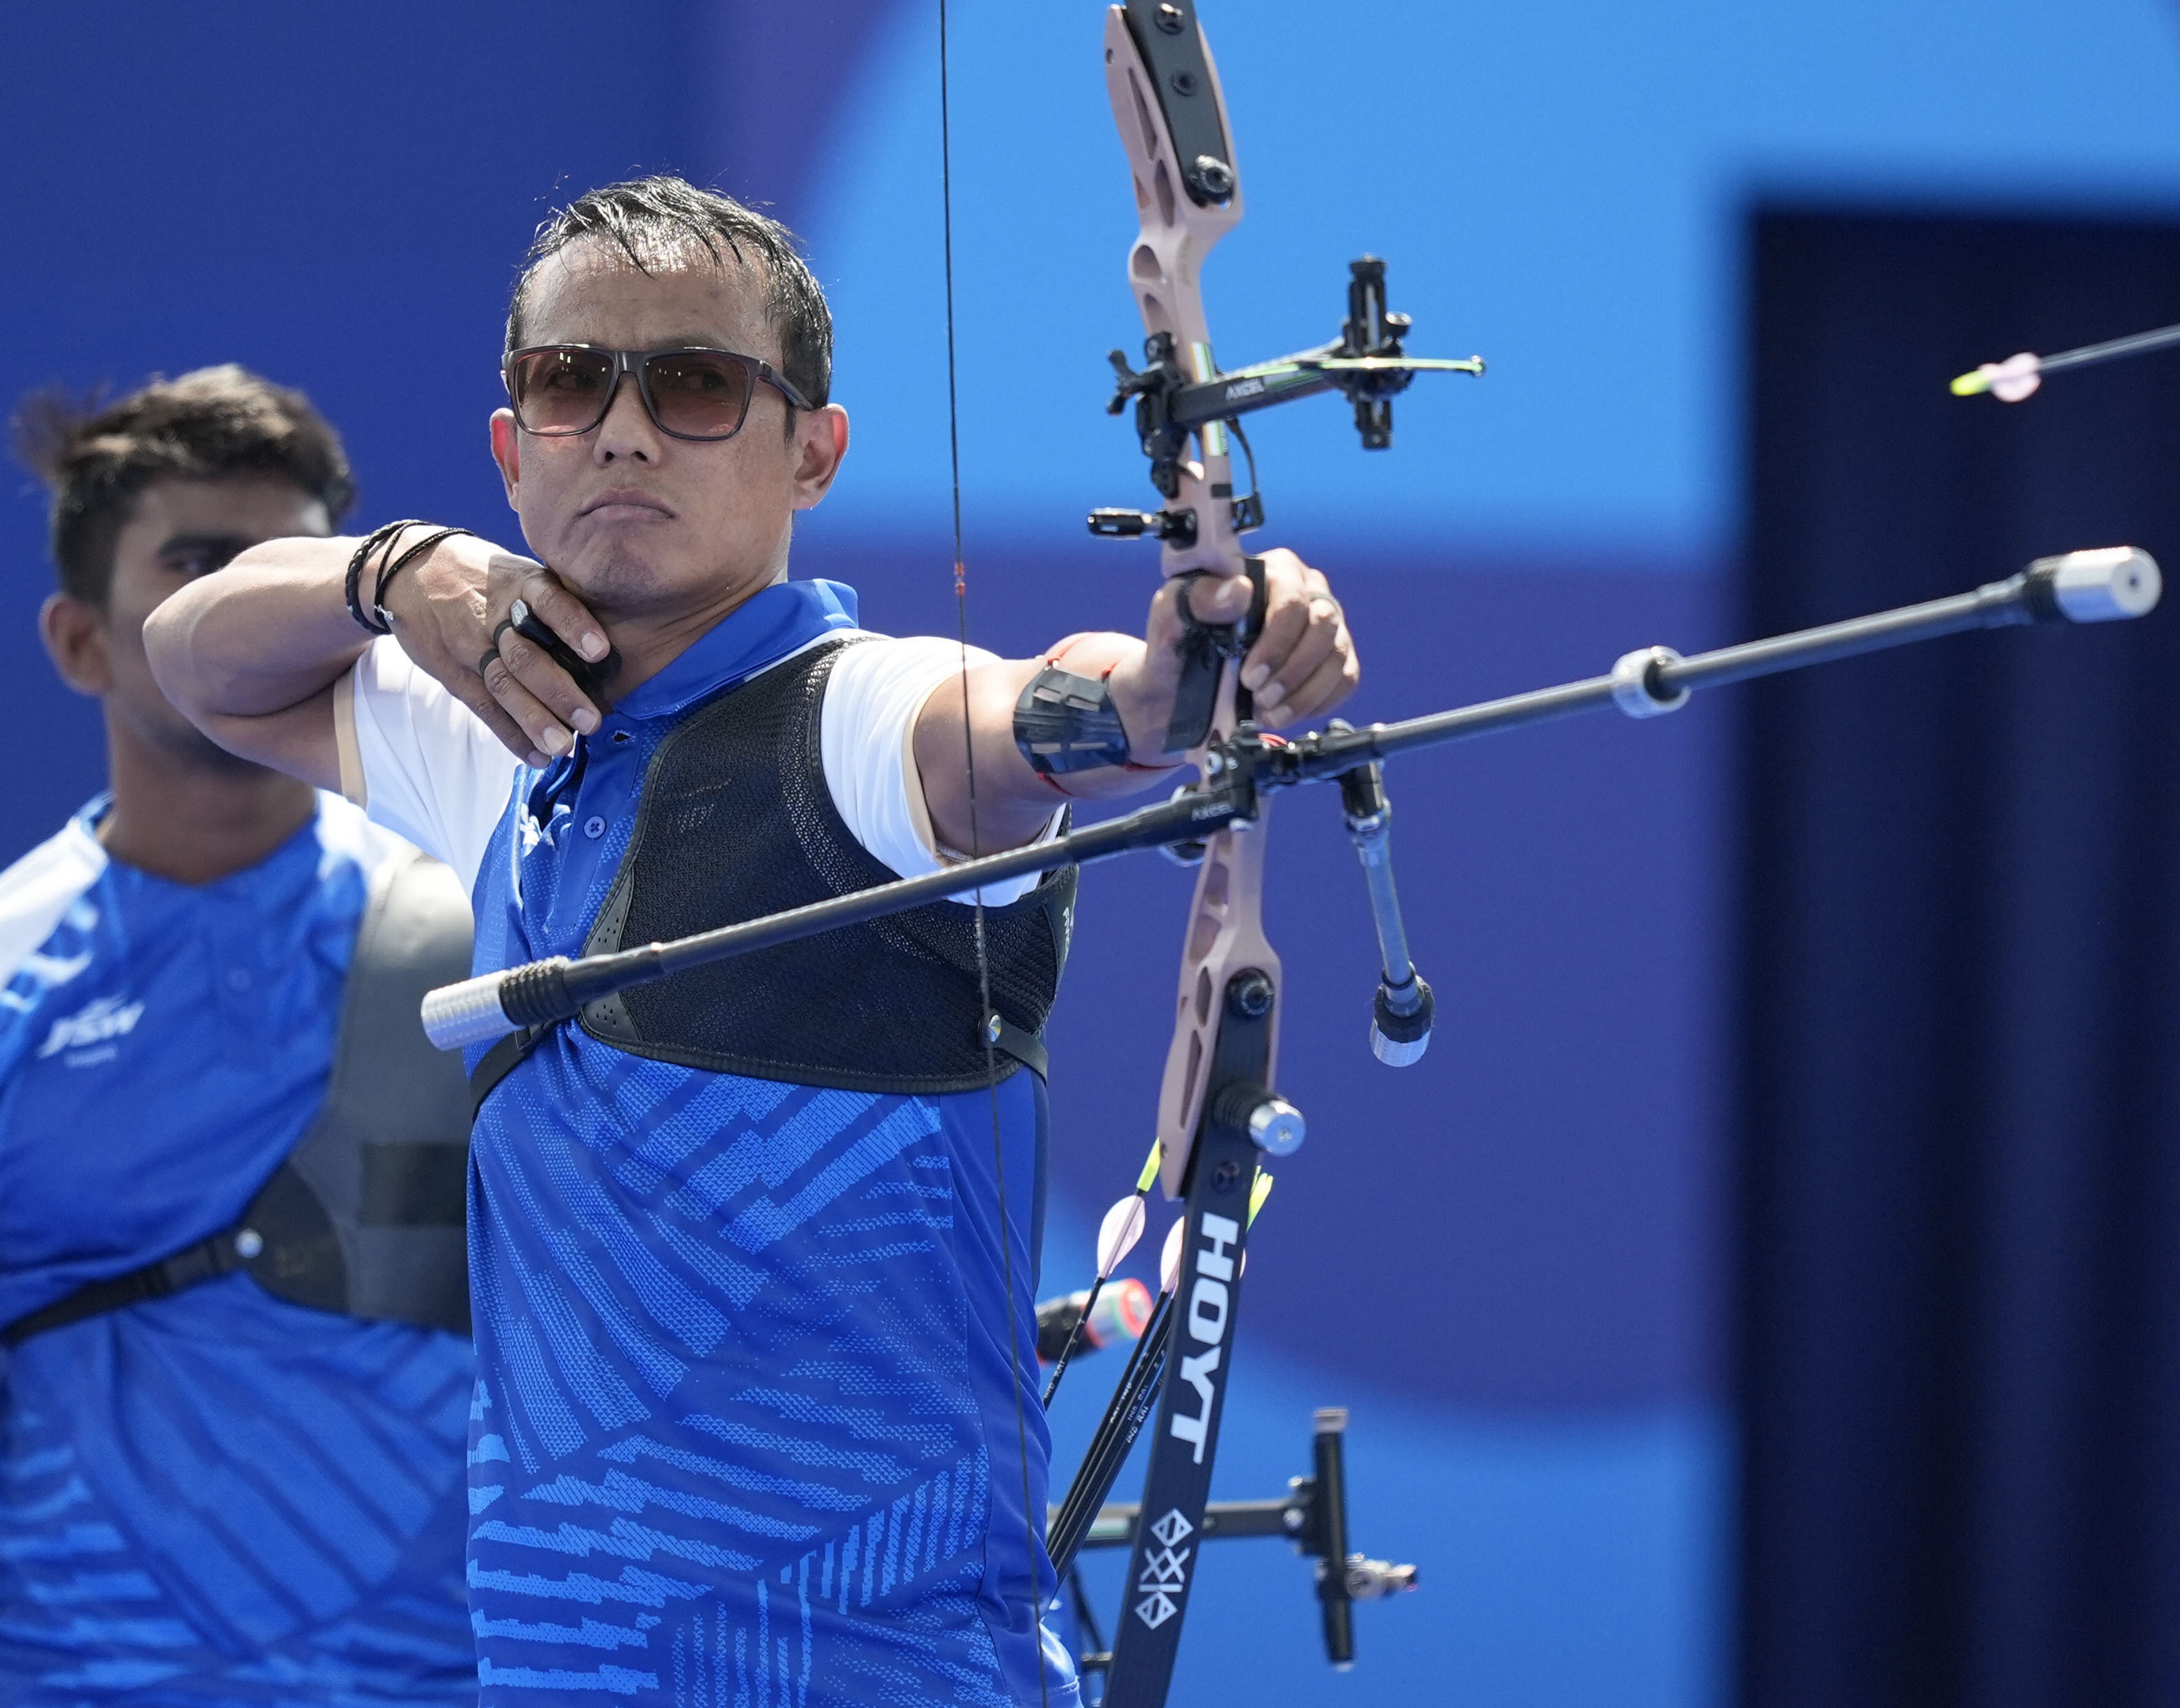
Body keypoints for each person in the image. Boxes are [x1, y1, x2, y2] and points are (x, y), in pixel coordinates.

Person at [146, 179, 1362, 1705]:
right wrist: (394, 571)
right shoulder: (504, 729)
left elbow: (1047, 716)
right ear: (512, 453)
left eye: (699, 384)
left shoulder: (858, 720)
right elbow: (195, 655)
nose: (629, 430)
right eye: (574, 381)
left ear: (814, 451)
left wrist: (1181, 675)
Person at [0, 368, 479, 1702]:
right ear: (81, 641)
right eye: (199, 566)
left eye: (289, 567)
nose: (243, 608)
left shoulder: (494, 932)